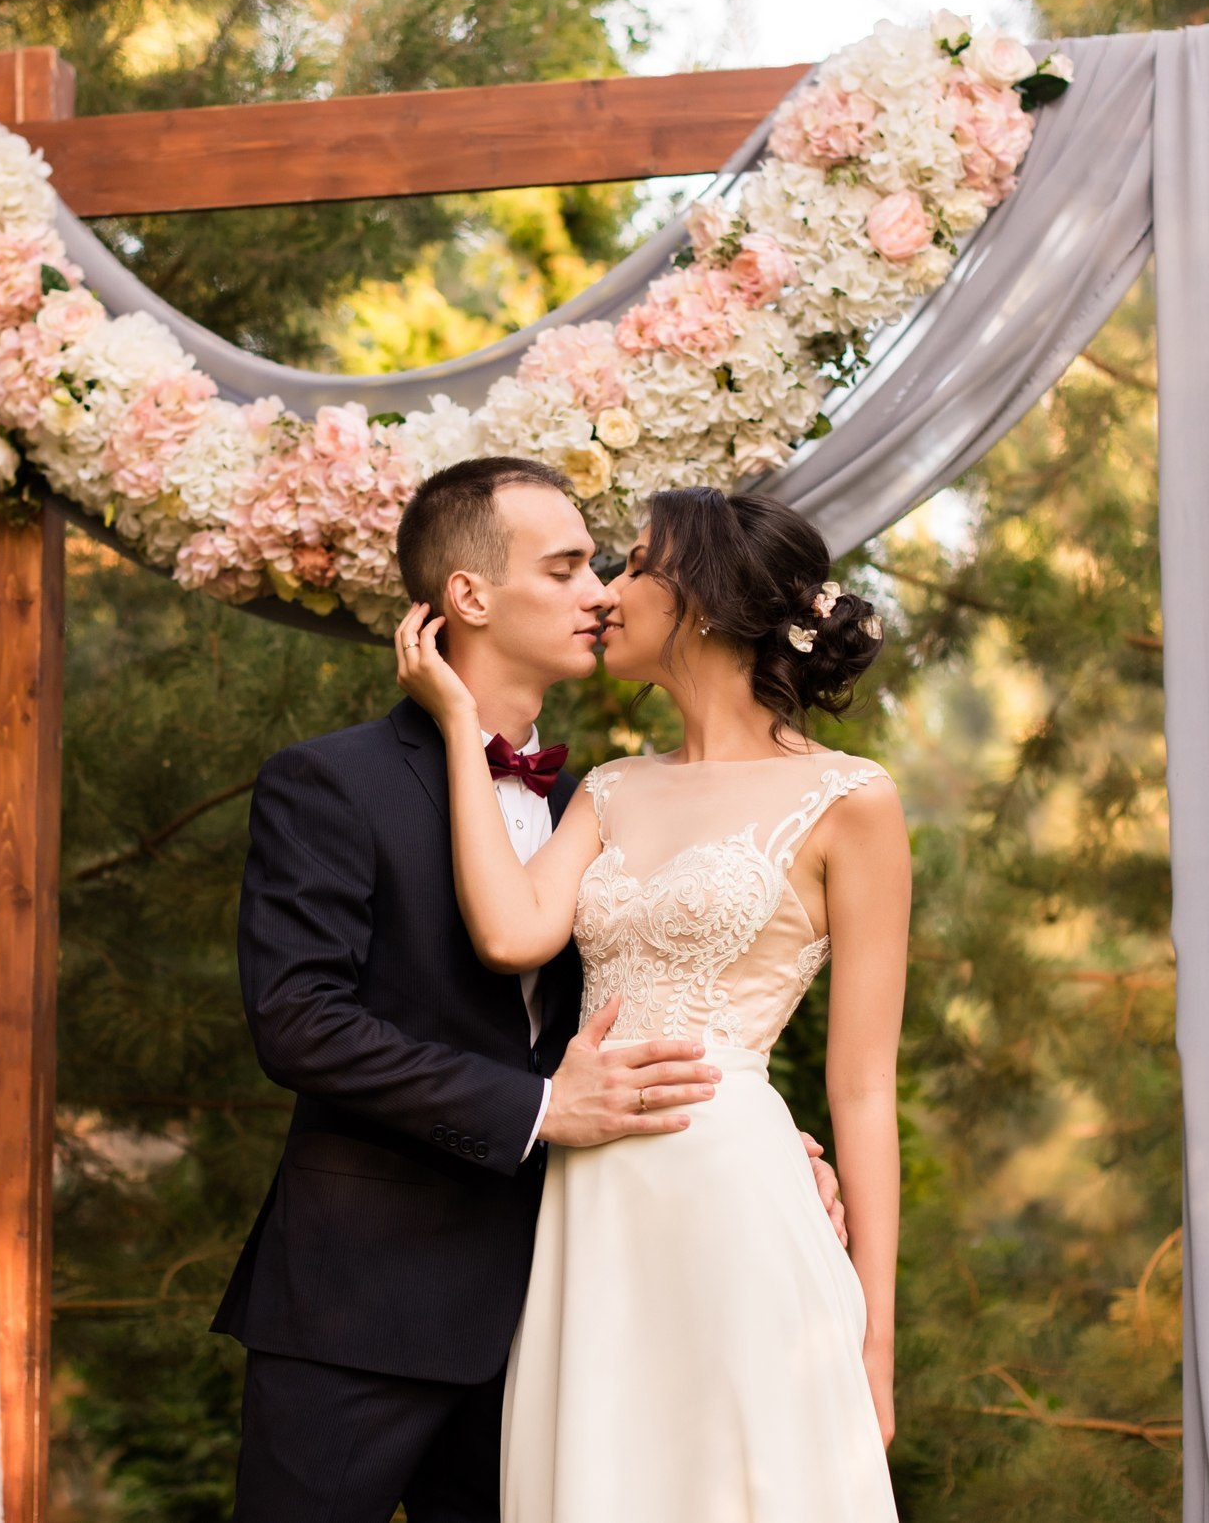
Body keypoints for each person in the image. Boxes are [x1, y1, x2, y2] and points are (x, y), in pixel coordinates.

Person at [215, 458, 846, 1523]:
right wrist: (544, 1108)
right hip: (362, 1306)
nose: (601, 591)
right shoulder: (331, 781)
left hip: (560, 1305)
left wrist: (738, 1128)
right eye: (565, 569)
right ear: (469, 598)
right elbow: (299, 1024)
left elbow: (640, 996)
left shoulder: (607, 795)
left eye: (601, 566)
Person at [394, 485, 911, 1522]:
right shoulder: (611, 788)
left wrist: (876, 1332)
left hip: (735, 1193)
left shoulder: (853, 802)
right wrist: (456, 721)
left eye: (632, 565)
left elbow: (861, 1089)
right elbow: (508, 933)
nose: (607, 593)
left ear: (706, 600)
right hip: (590, 1203)